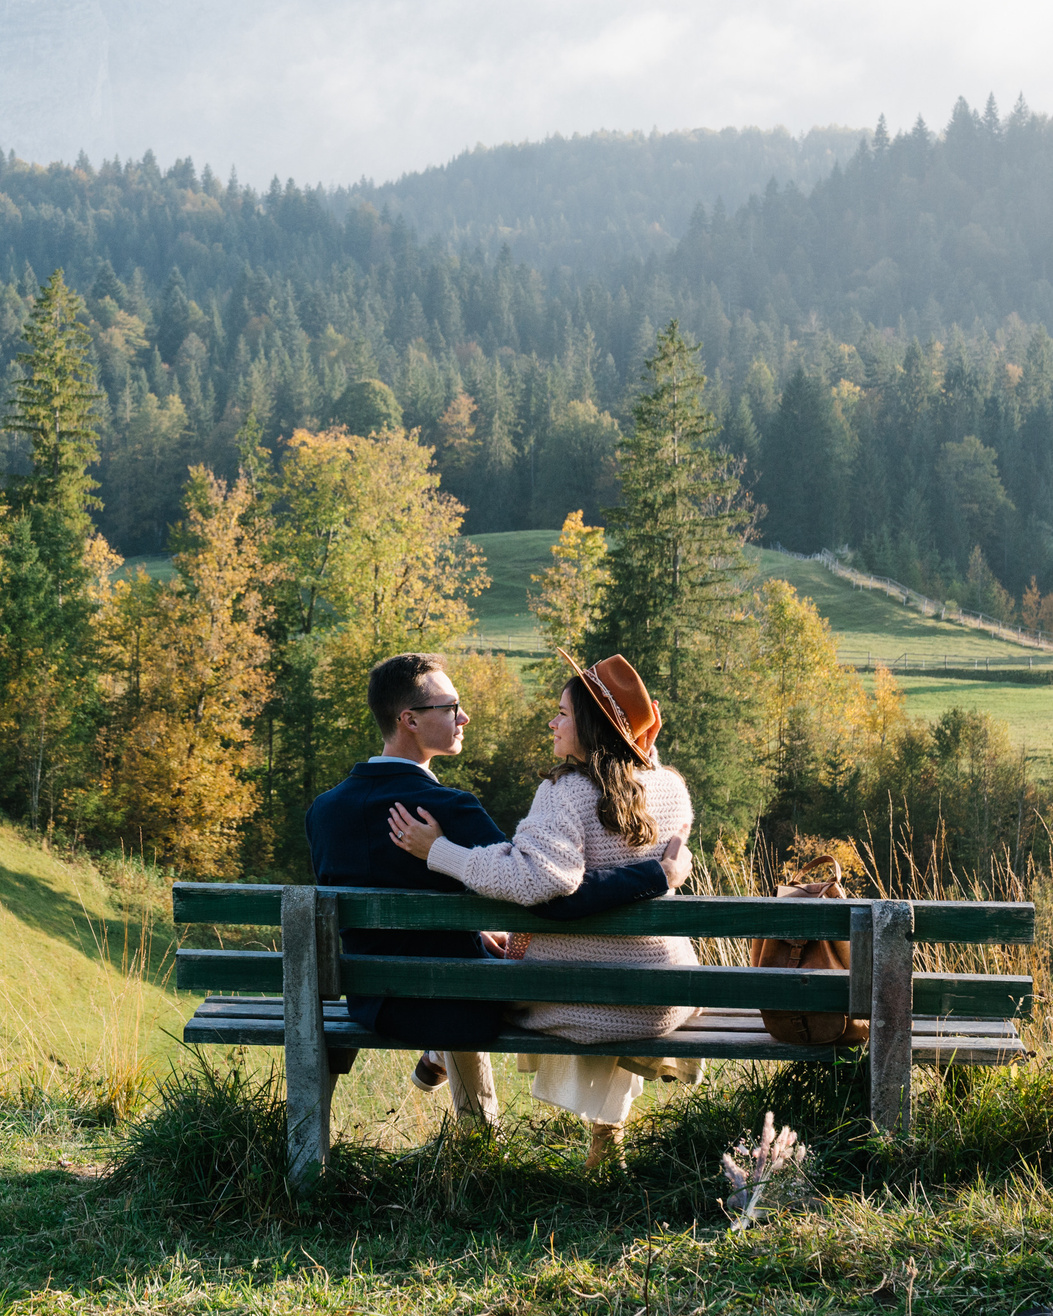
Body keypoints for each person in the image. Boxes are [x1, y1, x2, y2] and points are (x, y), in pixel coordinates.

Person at [305, 651, 693, 1128]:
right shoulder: (452, 810)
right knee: (503, 977)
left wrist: (478, 933)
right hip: (460, 1005)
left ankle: (448, 1087)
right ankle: (476, 1132)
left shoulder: (323, 811)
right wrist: (658, 875)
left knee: (494, 962)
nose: (463, 716)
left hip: (368, 1002)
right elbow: (536, 892)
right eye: (450, 708)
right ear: (409, 720)